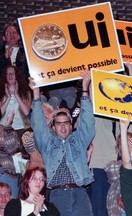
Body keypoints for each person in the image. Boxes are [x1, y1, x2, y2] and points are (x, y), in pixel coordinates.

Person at [29, 70, 95, 216]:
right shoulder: (47, 143)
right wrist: (36, 94)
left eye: (66, 123)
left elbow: (88, 122)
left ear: (71, 126)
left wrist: (85, 88)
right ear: (53, 127)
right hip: (57, 195)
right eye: (58, 124)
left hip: (80, 193)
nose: (63, 127)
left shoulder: (79, 140)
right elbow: (39, 125)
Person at [0, 65, 31, 138]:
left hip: (22, 128)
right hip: (3, 128)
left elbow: (26, 112)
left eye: (12, 73)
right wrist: (8, 98)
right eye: (8, 74)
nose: (10, 76)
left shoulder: (25, 92)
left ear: (17, 76)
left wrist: (16, 94)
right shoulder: (1, 92)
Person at [21, 103, 54, 169]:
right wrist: (46, 125)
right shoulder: (28, 134)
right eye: (41, 117)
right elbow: (29, 143)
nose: (44, 120)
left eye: (47, 117)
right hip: (36, 172)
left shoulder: (56, 135)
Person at [0, 113, 21, 198]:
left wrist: (7, 127)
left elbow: (13, 149)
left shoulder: (6, 130)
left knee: (11, 209)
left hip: (7, 173)